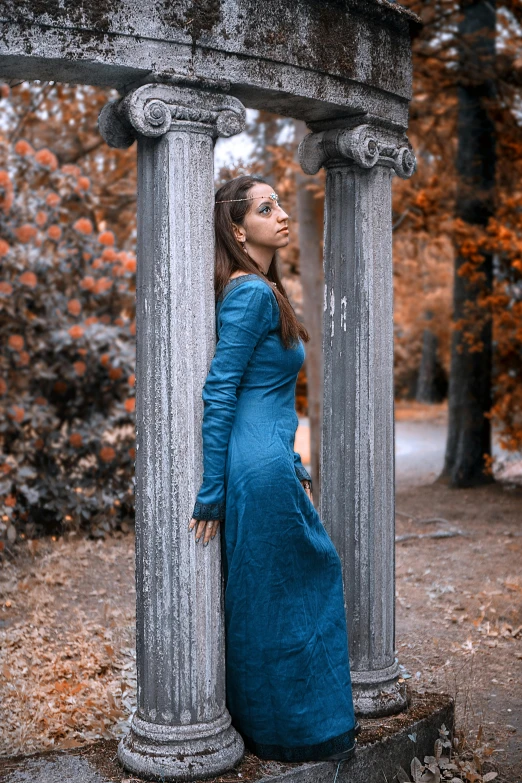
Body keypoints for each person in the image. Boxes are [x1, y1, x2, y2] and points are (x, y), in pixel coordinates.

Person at [189, 175, 358, 763]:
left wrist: (295, 463)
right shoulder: (250, 294)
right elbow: (220, 392)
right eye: (267, 208)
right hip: (255, 474)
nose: (282, 214)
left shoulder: (262, 289)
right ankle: (292, 733)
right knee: (288, 593)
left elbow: (271, 397)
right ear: (238, 229)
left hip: (271, 465)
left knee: (272, 597)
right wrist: (211, 492)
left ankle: (282, 727)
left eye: (280, 203)